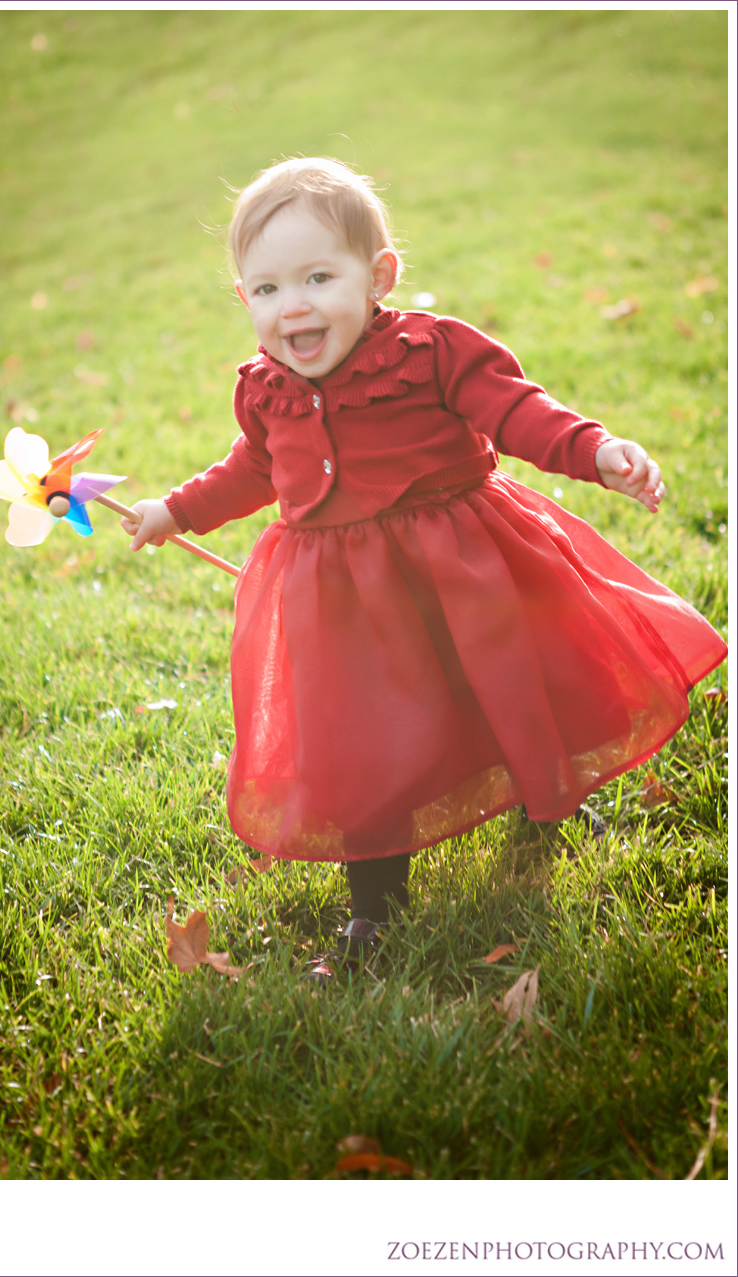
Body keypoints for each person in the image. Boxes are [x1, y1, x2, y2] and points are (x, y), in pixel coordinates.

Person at [121, 157, 727, 982]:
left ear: (379, 277)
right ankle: (375, 902)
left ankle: (545, 800)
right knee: (360, 737)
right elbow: (250, 469)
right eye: (265, 289)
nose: (291, 305)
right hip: (344, 606)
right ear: (244, 301)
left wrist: (595, 449)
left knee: (505, 684)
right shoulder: (264, 389)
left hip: (464, 569)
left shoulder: (432, 351)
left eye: (317, 277)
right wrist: (174, 510)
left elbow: (518, 411)